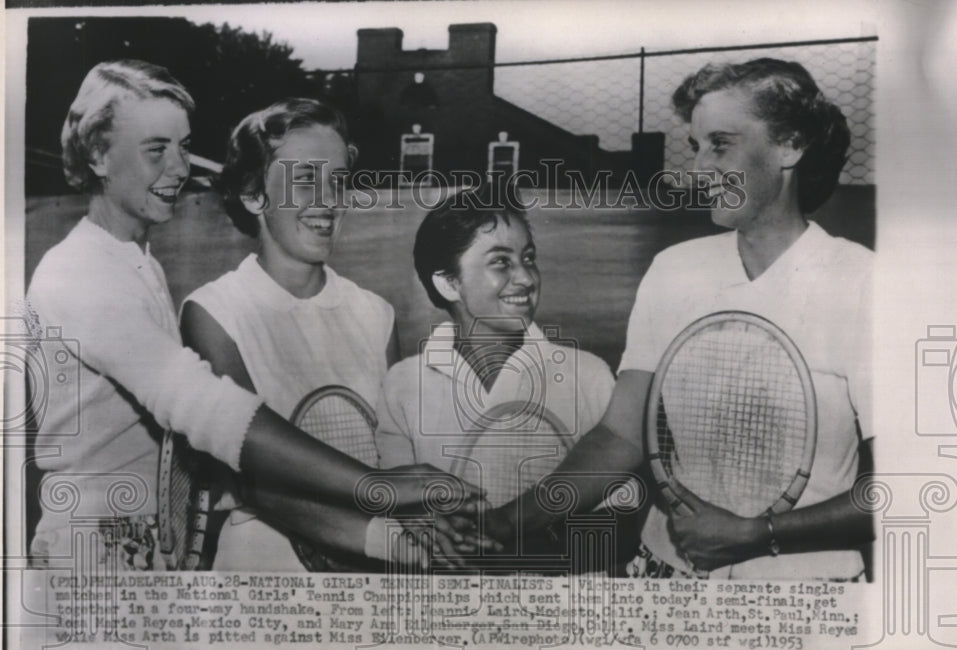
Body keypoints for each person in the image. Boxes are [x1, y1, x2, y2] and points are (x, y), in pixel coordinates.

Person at [25, 60, 476, 569]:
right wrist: (374, 488)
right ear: (98, 153)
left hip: (145, 552)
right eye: (156, 149)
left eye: (184, 146)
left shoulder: (133, 260)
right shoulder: (82, 273)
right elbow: (203, 405)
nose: (179, 167)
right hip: (94, 555)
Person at [486, 58, 874, 580]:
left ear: (789, 144)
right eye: (696, 148)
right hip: (662, 574)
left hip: (807, 595)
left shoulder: (866, 281)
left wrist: (760, 536)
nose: (698, 169)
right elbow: (621, 438)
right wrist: (502, 525)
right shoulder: (674, 269)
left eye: (721, 144)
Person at [181, 98, 404, 570]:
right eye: (304, 179)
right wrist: (390, 540)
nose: (328, 200)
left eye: (338, 181)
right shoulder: (211, 313)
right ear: (253, 195)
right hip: (259, 585)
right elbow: (255, 481)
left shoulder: (377, 315)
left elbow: (398, 466)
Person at [375, 188, 620, 562]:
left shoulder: (591, 377)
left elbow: (624, 522)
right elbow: (402, 509)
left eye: (529, 258)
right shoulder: (402, 385)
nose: (525, 277)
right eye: (501, 262)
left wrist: (515, 547)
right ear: (448, 283)